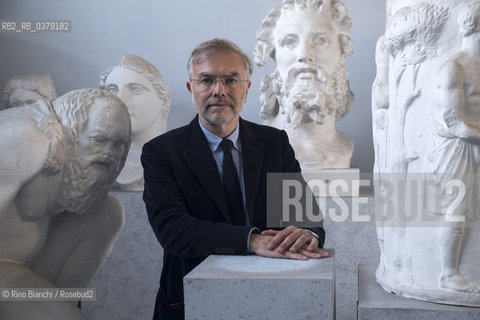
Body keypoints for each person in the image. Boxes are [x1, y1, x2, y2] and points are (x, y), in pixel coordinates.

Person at [141, 38, 328, 320]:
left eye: (231, 80)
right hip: (191, 302)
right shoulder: (161, 152)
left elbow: (303, 213)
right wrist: (250, 241)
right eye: (207, 80)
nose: (219, 91)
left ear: (246, 88)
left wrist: (307, 233)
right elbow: (172, 229)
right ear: (192, 88)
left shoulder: (274, 142)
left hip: (272, 298)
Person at [0, 88, 131, 319]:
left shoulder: (73, 163)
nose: (109, 154)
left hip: (24, 265)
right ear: (73, 131)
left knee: (108, 212)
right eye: (99, 140)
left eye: (118, 143)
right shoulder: (26, 139)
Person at [254, 0, 354, 169]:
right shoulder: (260, 147)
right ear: (273, 55)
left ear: (341, 54)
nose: (304, 55)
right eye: (289, 42)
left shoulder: (344, 150)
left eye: (321, 40)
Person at [427, 0, 480, 293]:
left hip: (474, 138)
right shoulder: (453, 68)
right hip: (453, 146)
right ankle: (448, 274)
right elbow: (453, 124)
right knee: (456, 209)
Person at [100, 54, 172, 191]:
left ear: (164, 100)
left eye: (135, 90)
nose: (120, 101)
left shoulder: (176, 161)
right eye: (112, 90)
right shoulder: (102, 162)